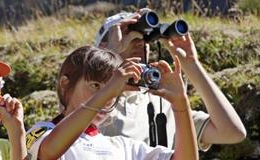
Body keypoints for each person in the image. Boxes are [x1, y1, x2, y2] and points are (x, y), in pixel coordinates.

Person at [93, 9, 246, 150]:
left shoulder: (163, 103)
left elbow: (232, 132)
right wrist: (109, 55)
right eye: (127, 33)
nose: (139, 41)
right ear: (102, 46)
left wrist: (192, 64)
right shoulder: (88, 98)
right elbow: (73, 126)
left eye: (144, 37)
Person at [26, 46, 198, 160]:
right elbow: (50, 150)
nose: (109, 97)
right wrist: (110, 89)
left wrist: (180, 103)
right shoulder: (40, 131)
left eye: (115, 89)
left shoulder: (124, 147)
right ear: (65, 84)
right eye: (95, 85)